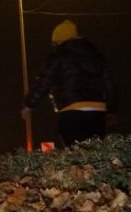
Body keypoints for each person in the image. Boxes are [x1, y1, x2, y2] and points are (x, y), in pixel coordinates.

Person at [21, 19, 117, 147]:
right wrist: (111, 110)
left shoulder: (59, 54)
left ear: (60, 41)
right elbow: (109, 84)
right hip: (97, 111)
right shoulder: (96, 54)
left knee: (73, 150)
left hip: (72, 110)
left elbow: (44, 81)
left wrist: (29, 105)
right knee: (94, 151)